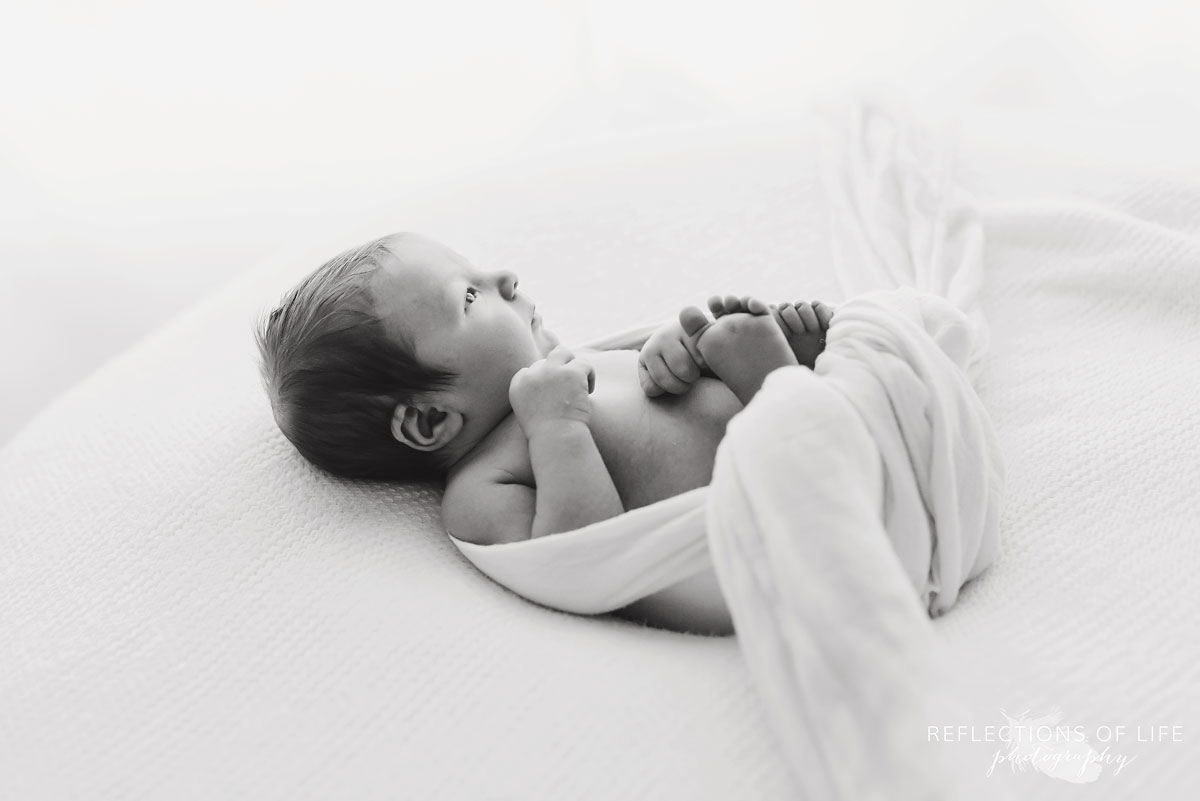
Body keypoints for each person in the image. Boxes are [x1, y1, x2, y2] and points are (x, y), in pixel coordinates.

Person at [256, 232, 833, 633]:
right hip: (790, 507)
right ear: (432, 420)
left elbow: (642, 387)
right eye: (469, 296)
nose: (505, 277)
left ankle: (797, 378)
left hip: (796, 437)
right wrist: (556, 426)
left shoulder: (566, 361)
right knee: (816, 465)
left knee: (846, 341)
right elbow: (586, 558)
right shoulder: (481, 490)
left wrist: (674, 359)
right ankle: (777, 383)